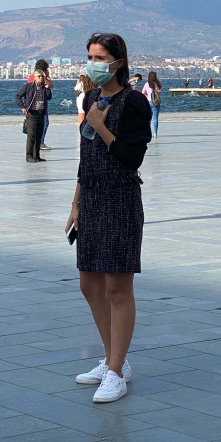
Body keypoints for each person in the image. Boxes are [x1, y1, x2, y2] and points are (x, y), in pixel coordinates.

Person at [67, 33, 152, 404]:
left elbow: (131, 158)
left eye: (99, 57)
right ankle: (113, 358)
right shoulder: (90, 97)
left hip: (119, 198)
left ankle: (116, 371)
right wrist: (76, 203)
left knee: (118, 287)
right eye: (89, 56)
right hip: (92, 198)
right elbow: (87, 157)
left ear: (118, 62)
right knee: (89, 283)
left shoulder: (134, 102)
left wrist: (100, 125)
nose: (92, 64)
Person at [16, 69, 52, 162]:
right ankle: (29, 156)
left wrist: (48, 88)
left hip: (41, 113)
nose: (41, 78)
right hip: (31, 113)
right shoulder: (28, 87)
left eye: (42, 76)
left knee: (39, 135)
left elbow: (49, 97)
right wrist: (23, 107)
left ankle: (37, 156)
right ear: (34, 78)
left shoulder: (44, 87)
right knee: (31, 135)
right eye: (39, 76)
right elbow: (18, 96)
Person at [34, 60, 54, 151]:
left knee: (36, 123)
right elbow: (49, 94)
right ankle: (40, 142)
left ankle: (35, 142)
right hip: (41, 104)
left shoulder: (32, 77)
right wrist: (48, 77)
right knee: (45, 122)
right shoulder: (43, 79)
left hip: (33, 105)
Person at [142, 71, 162, 137]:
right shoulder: (155, 84)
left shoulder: (146, 84)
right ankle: (155, 133)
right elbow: (159, 91)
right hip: (155, 102)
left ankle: (148, 131)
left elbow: (143, 92)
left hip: (148, 102)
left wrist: (147, 97)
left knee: (148, 118)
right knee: (155, 118)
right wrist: (158, 90)